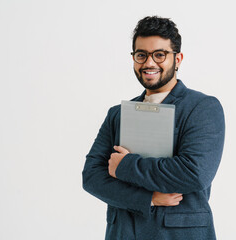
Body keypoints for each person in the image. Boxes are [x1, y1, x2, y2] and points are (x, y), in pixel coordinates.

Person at [82, 16, 225, 240]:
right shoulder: (117, 114)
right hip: (123, 233)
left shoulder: (202, 108)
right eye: (141, 55)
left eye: (160, 54)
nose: (149, 63)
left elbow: (194, 173)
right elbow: (92, 177)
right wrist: (149, 198)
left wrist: (125, 166)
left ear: (178, 59)